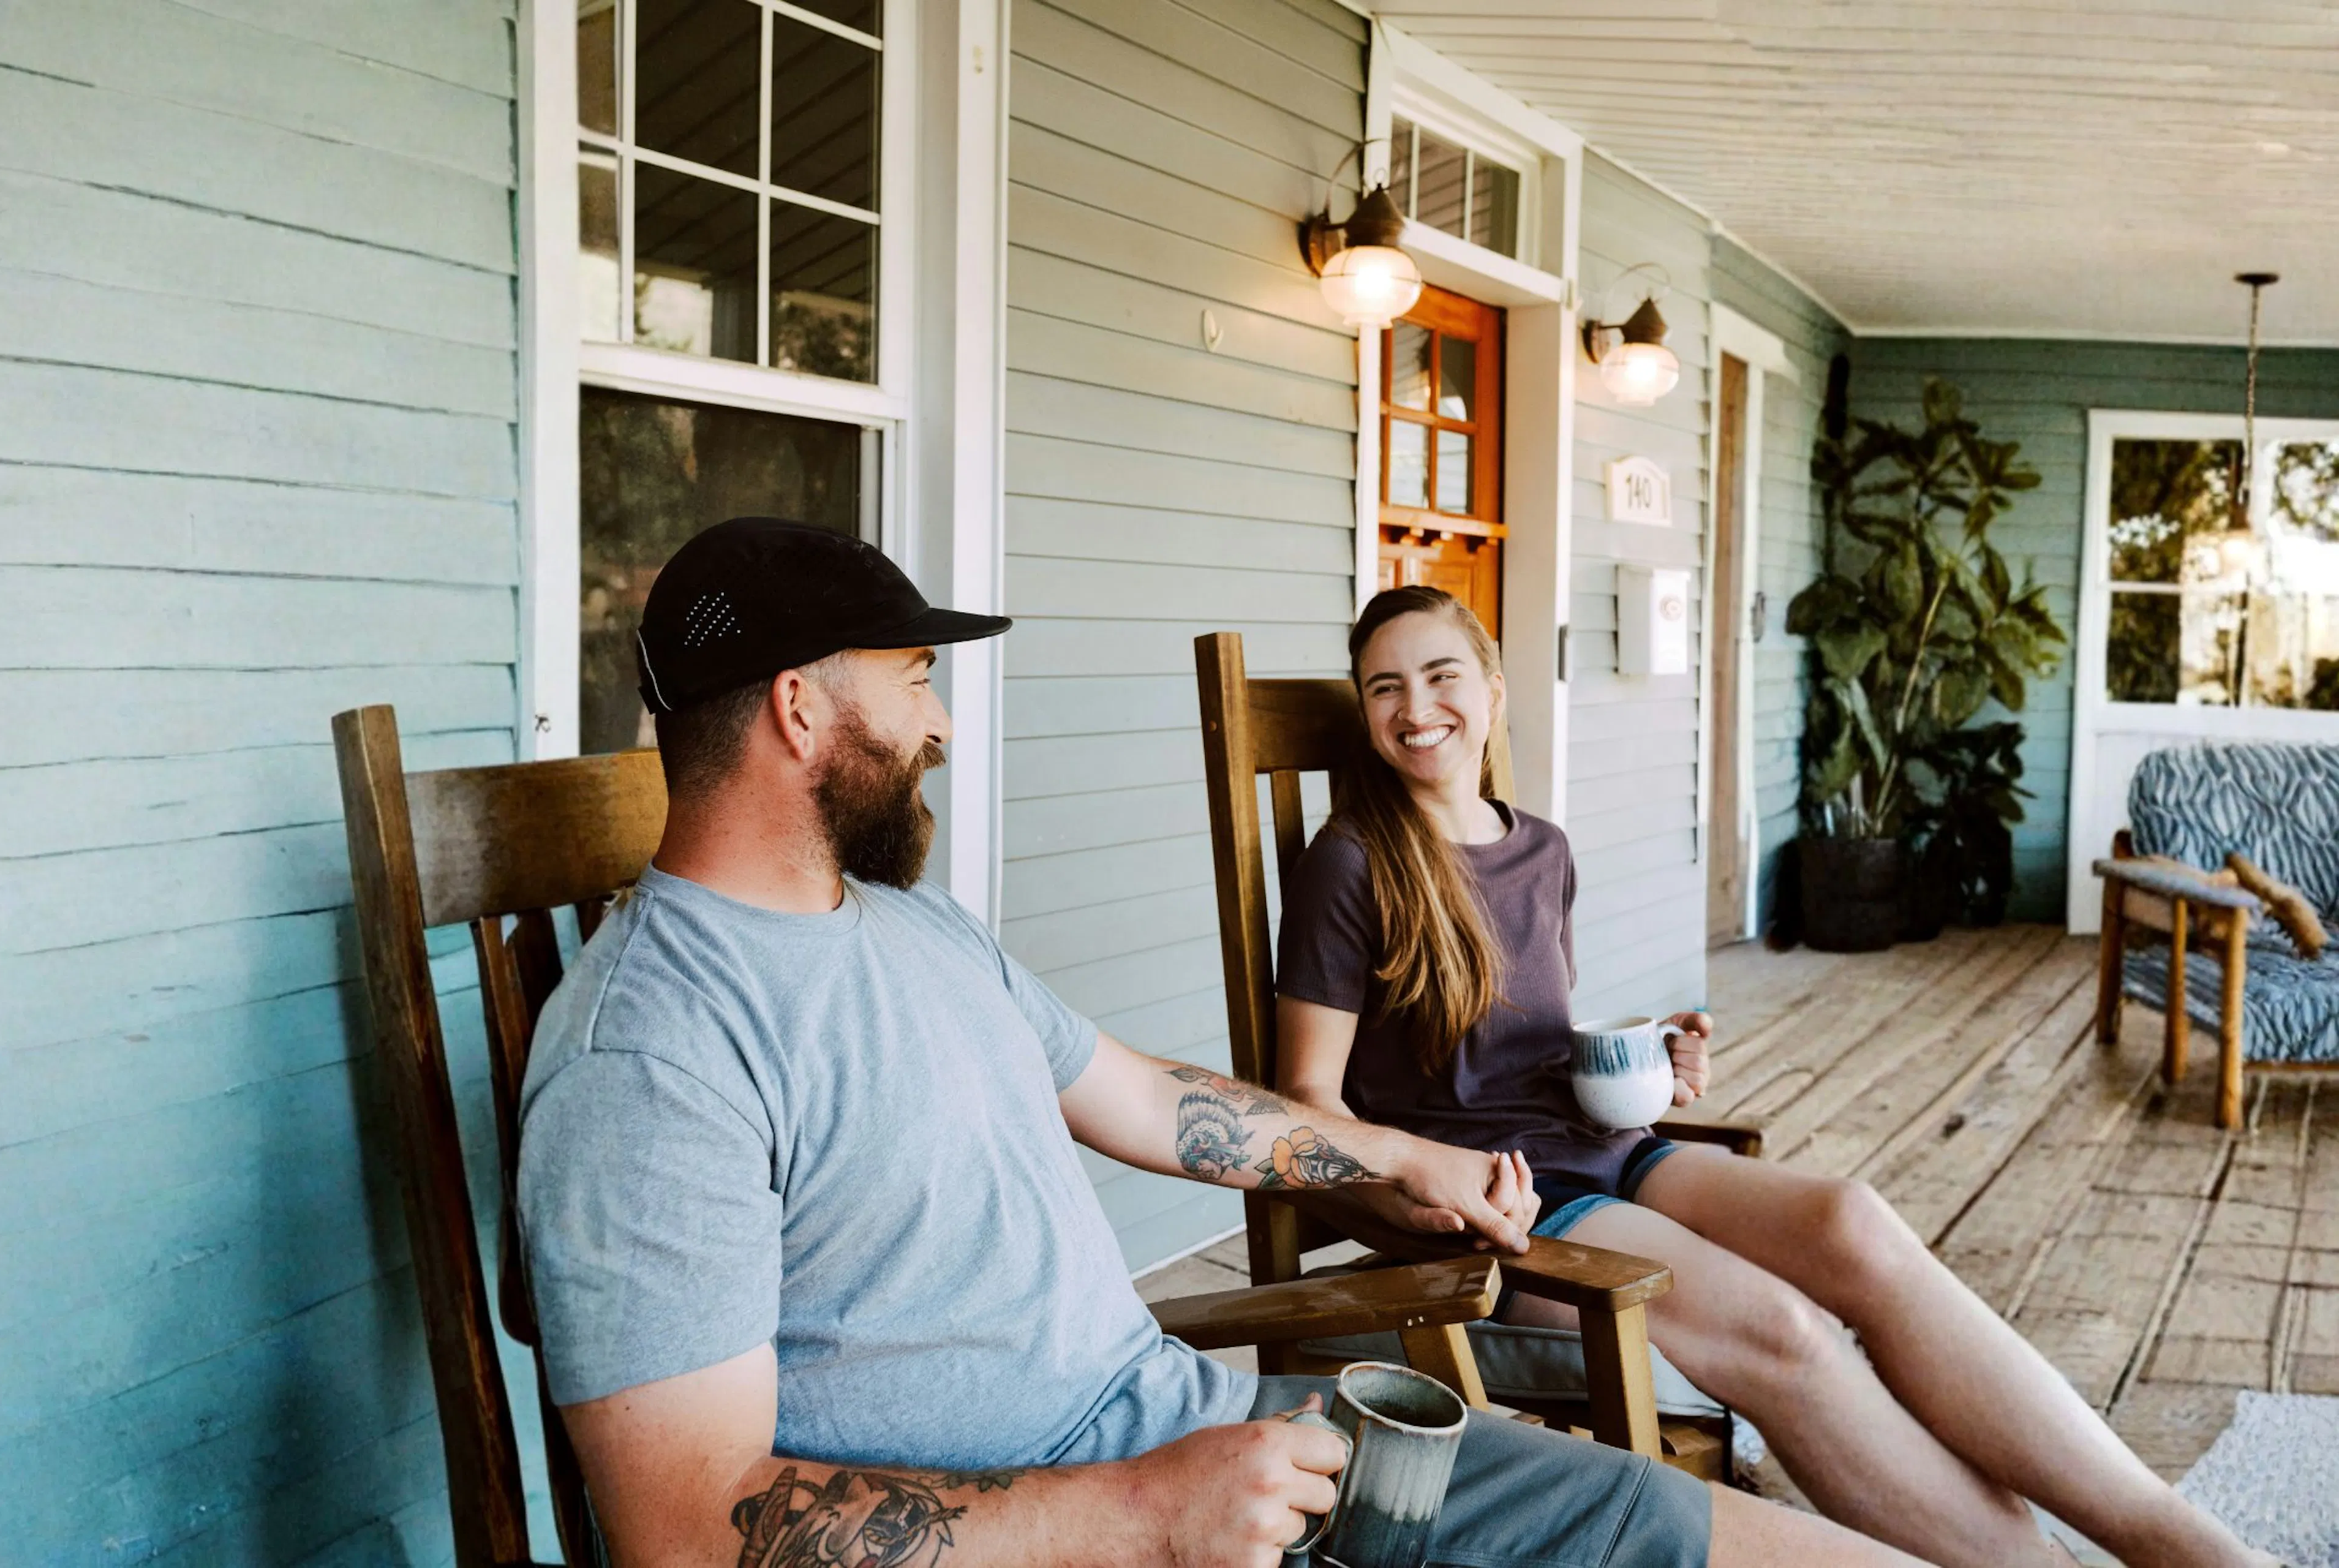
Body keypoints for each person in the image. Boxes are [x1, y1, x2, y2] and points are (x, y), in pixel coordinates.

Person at [515, 519, 1922, 1568]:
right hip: (1109, 1520)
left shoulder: (912, 930)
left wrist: (1397, 1153)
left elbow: (1143, 1096)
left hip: (1219, 1439)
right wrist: (1141, 1509)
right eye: (916, 676)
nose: (942, 721)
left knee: (1733, 1543)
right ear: (799, 706)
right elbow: (688, 1526)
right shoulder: (648, 1054)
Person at [1274, 584, 2275, 1568]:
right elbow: (1308, 1102)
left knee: (1855, 1220)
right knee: (1782, 1327)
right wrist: (1413, 1195)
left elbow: (1523, 1046)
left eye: (1441, 675)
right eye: (1383, 688)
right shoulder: (1354, 863)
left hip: (1604, 1147)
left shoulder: (1540, 847)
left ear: (1493, 687)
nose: (1416, 709)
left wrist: (1648, 1063)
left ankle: (2182, 1544)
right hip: (1504, 1207)